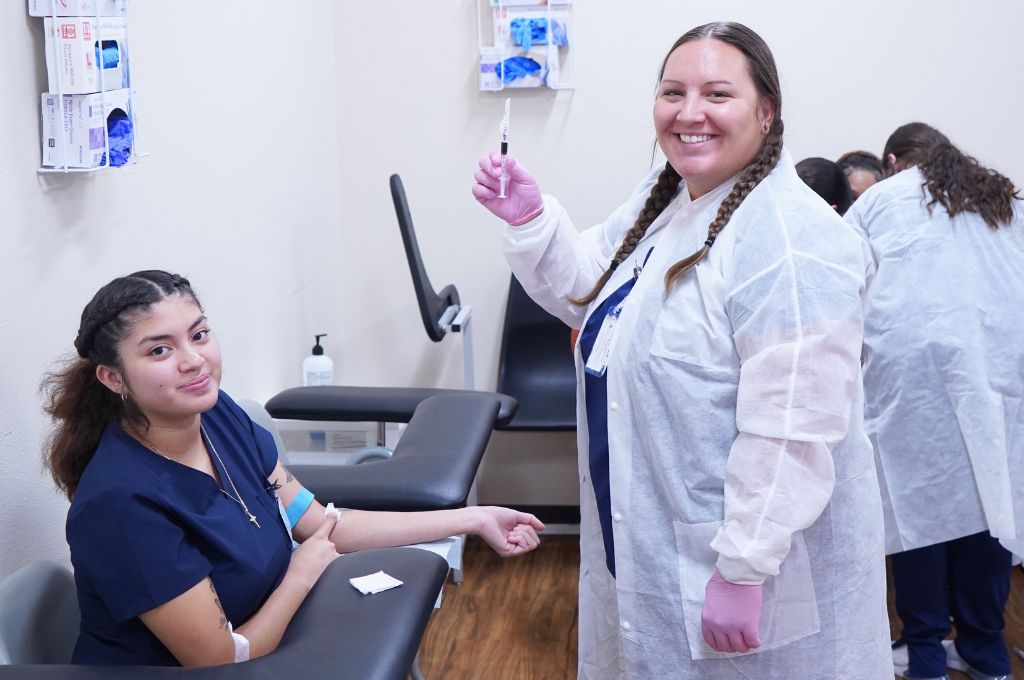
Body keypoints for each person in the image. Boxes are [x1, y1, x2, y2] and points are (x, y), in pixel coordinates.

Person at [472, 21, 891, 679]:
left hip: (744, 567)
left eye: (716, 94)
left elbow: (791, 428)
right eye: (673, 92)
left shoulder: (789, 241)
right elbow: (587, 284)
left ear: (766, 110)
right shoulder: (670, 198)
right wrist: (531, 220)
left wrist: (745, 565)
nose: (689, 112)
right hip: (654, 538)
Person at [42, 270, 544, 667]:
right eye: (160, 350)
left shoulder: (217, 417)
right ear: (112, 377)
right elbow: (220, 658)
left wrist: (473, 519)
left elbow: (321, 523)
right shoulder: (122, 503)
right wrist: (302, 572)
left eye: (199, 334)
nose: (194, 361)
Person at [846, 122, 1023, 680]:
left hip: (914, 378)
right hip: (1002, 376)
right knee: (991, 508)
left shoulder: (882, 198)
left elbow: (837, 276)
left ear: (894, 160)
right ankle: (985, 650)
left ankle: (924, 653)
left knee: (915, 510)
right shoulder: (1006, 199)